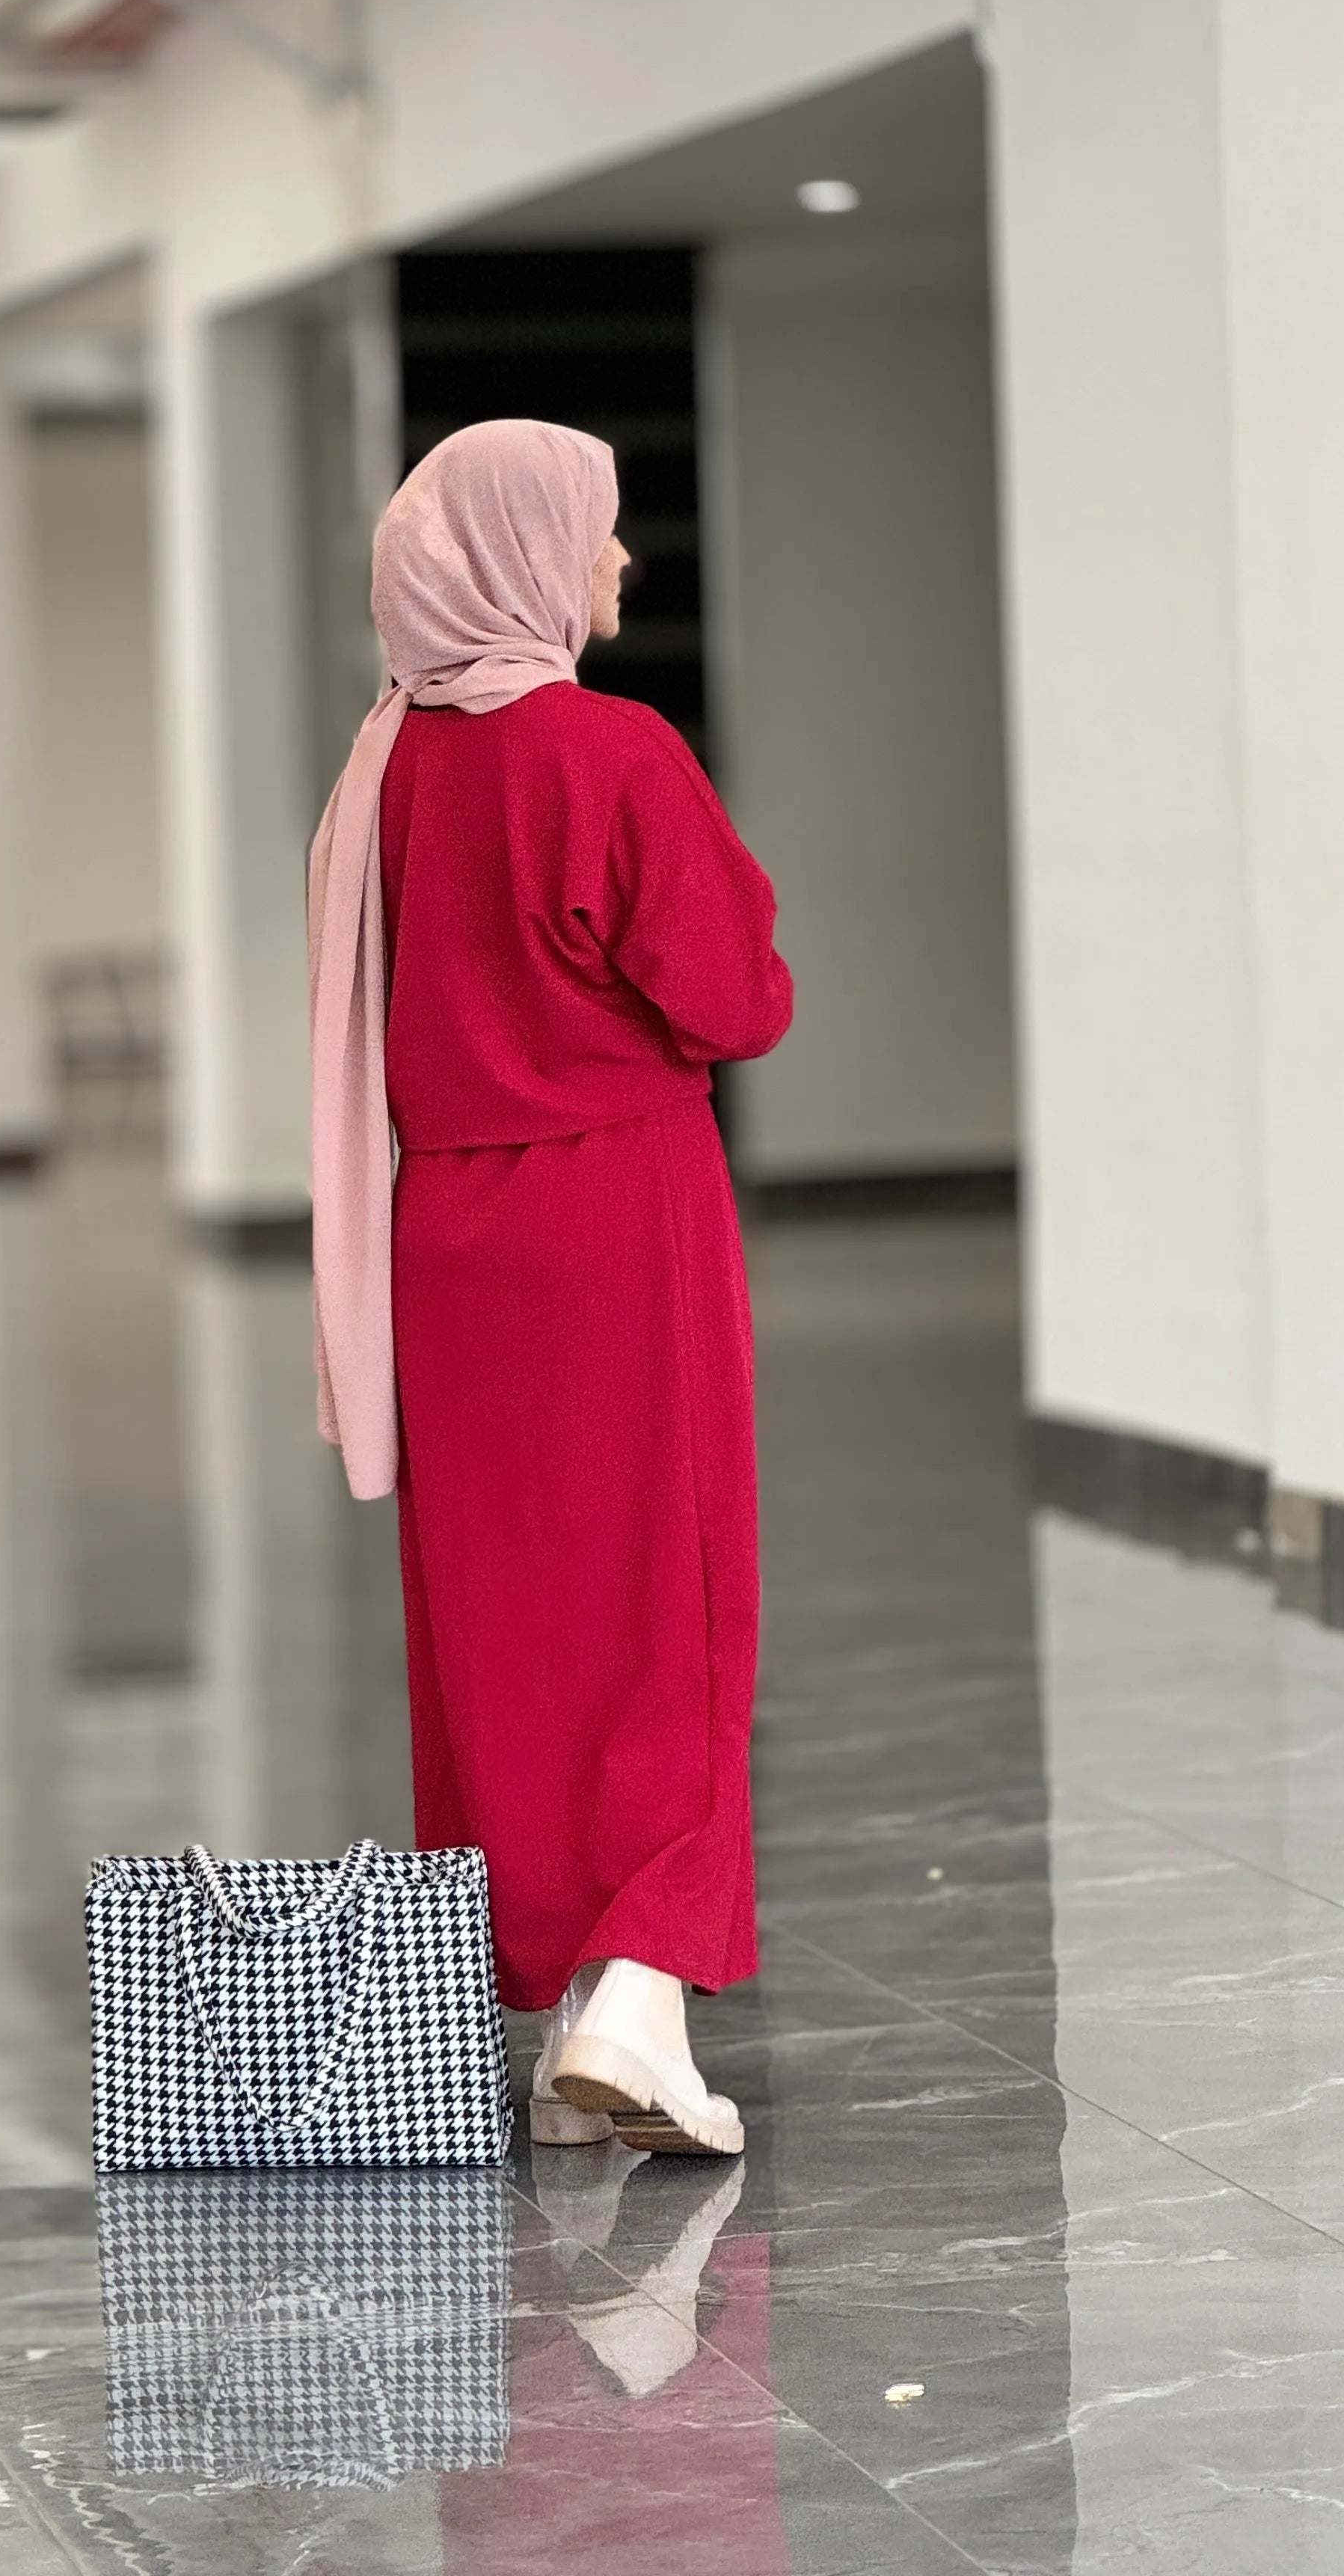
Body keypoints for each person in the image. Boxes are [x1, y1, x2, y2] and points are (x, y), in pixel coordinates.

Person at [307, 415, 794, 2157]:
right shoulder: (612, 754)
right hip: (616, 1220)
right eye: (592, 535)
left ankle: (568, 2009)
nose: (615, 565)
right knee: (670, 1597)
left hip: (448, 1244)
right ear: (519, 558)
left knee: (502, 1623)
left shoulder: (387, 776)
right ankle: (644, 1993)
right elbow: (736, 1000)